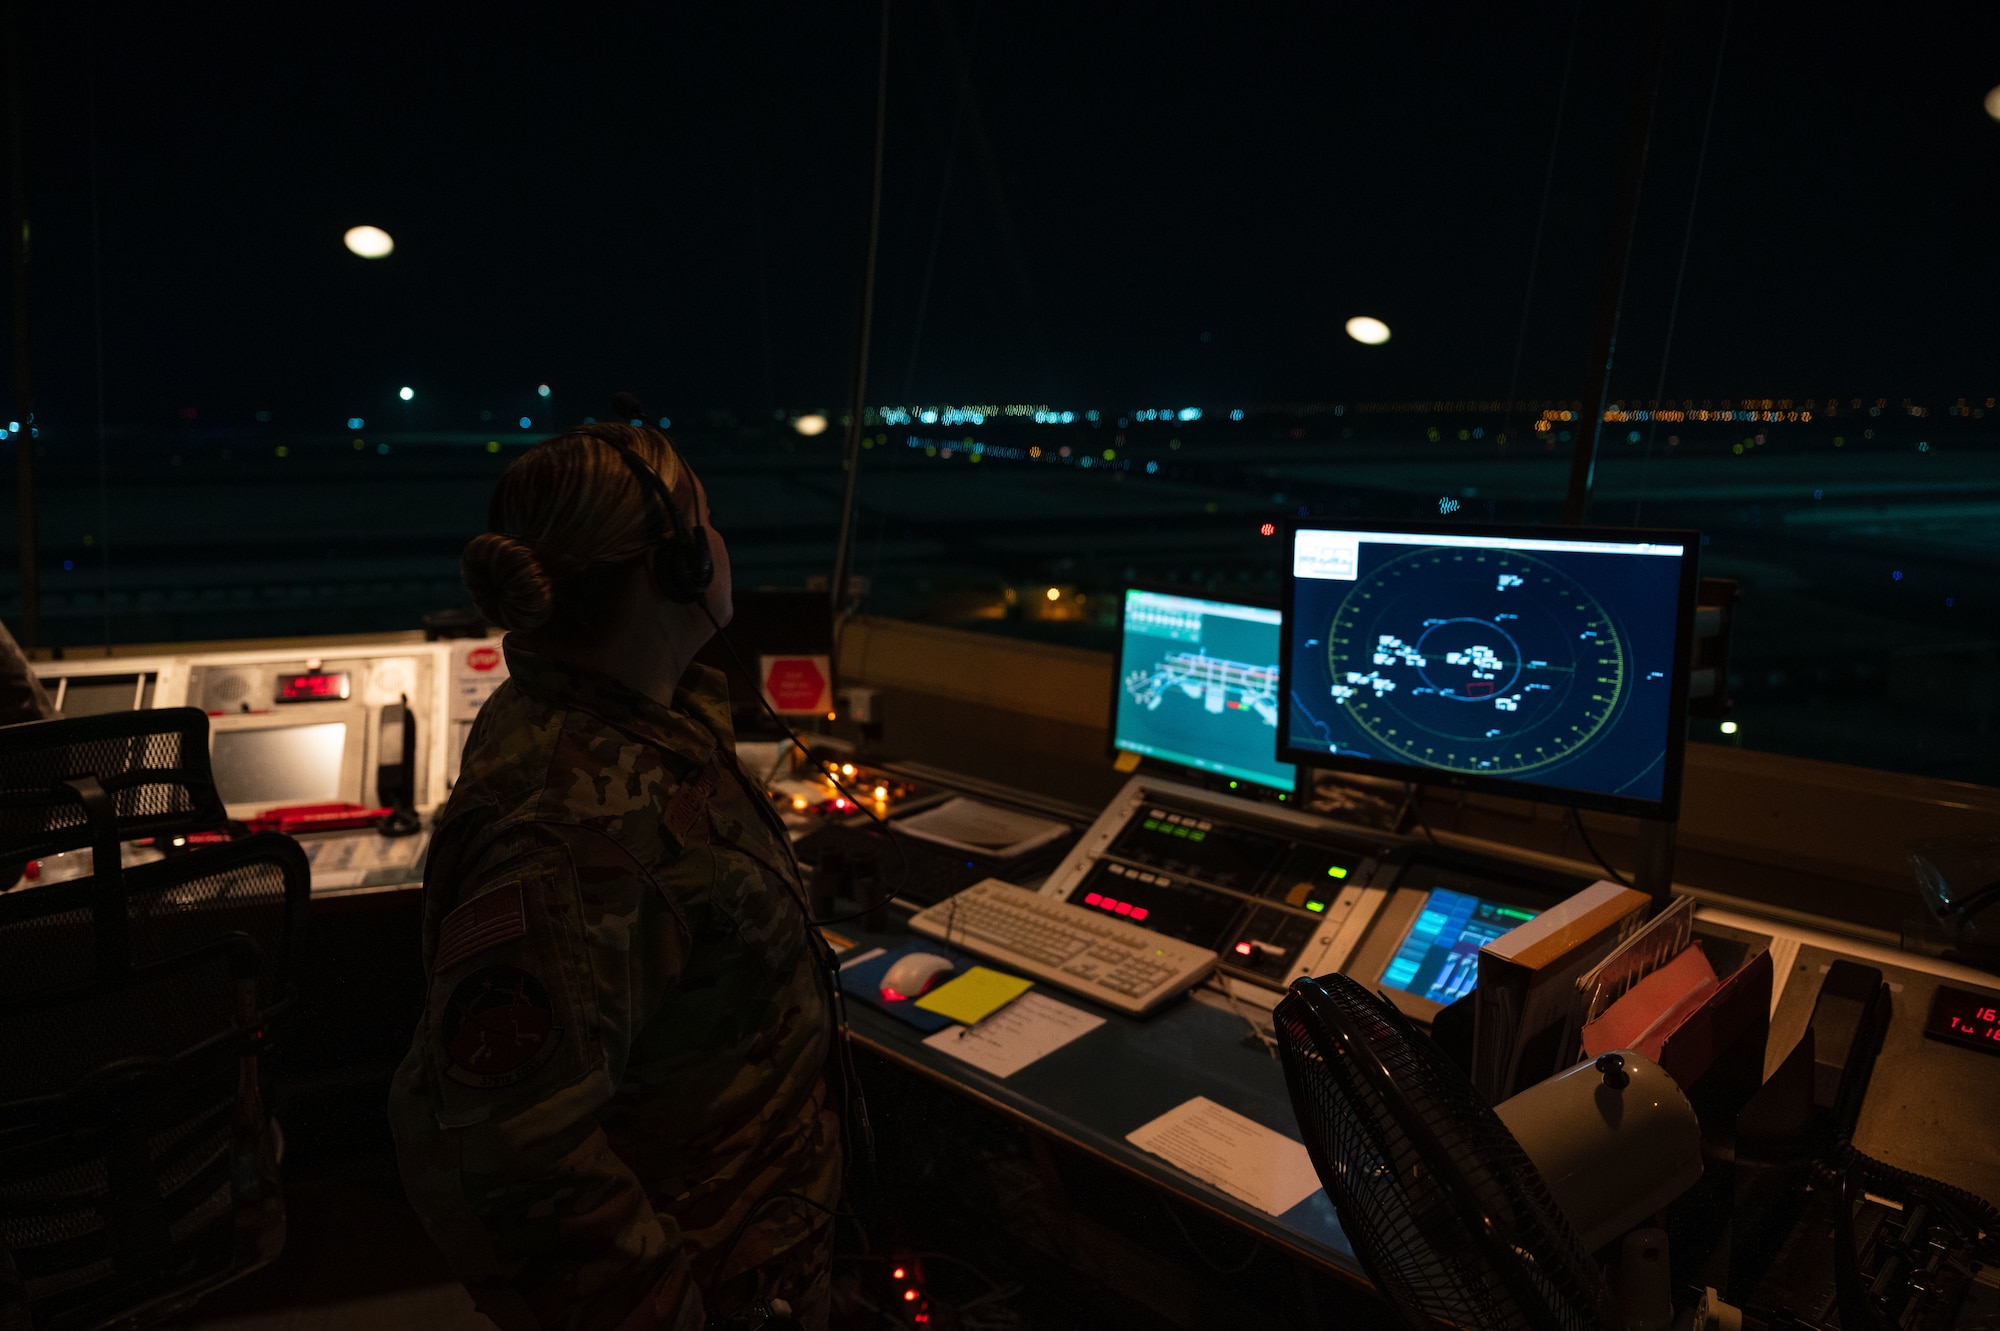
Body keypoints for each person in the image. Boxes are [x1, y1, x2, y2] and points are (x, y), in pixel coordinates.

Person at [389, 421, 841, 1331]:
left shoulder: (624, 727)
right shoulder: (568, 828)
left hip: (764, 1248)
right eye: (701, 519)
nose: (716, 540)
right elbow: (508, 1156)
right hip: (715, 1287)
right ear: (671, 567)